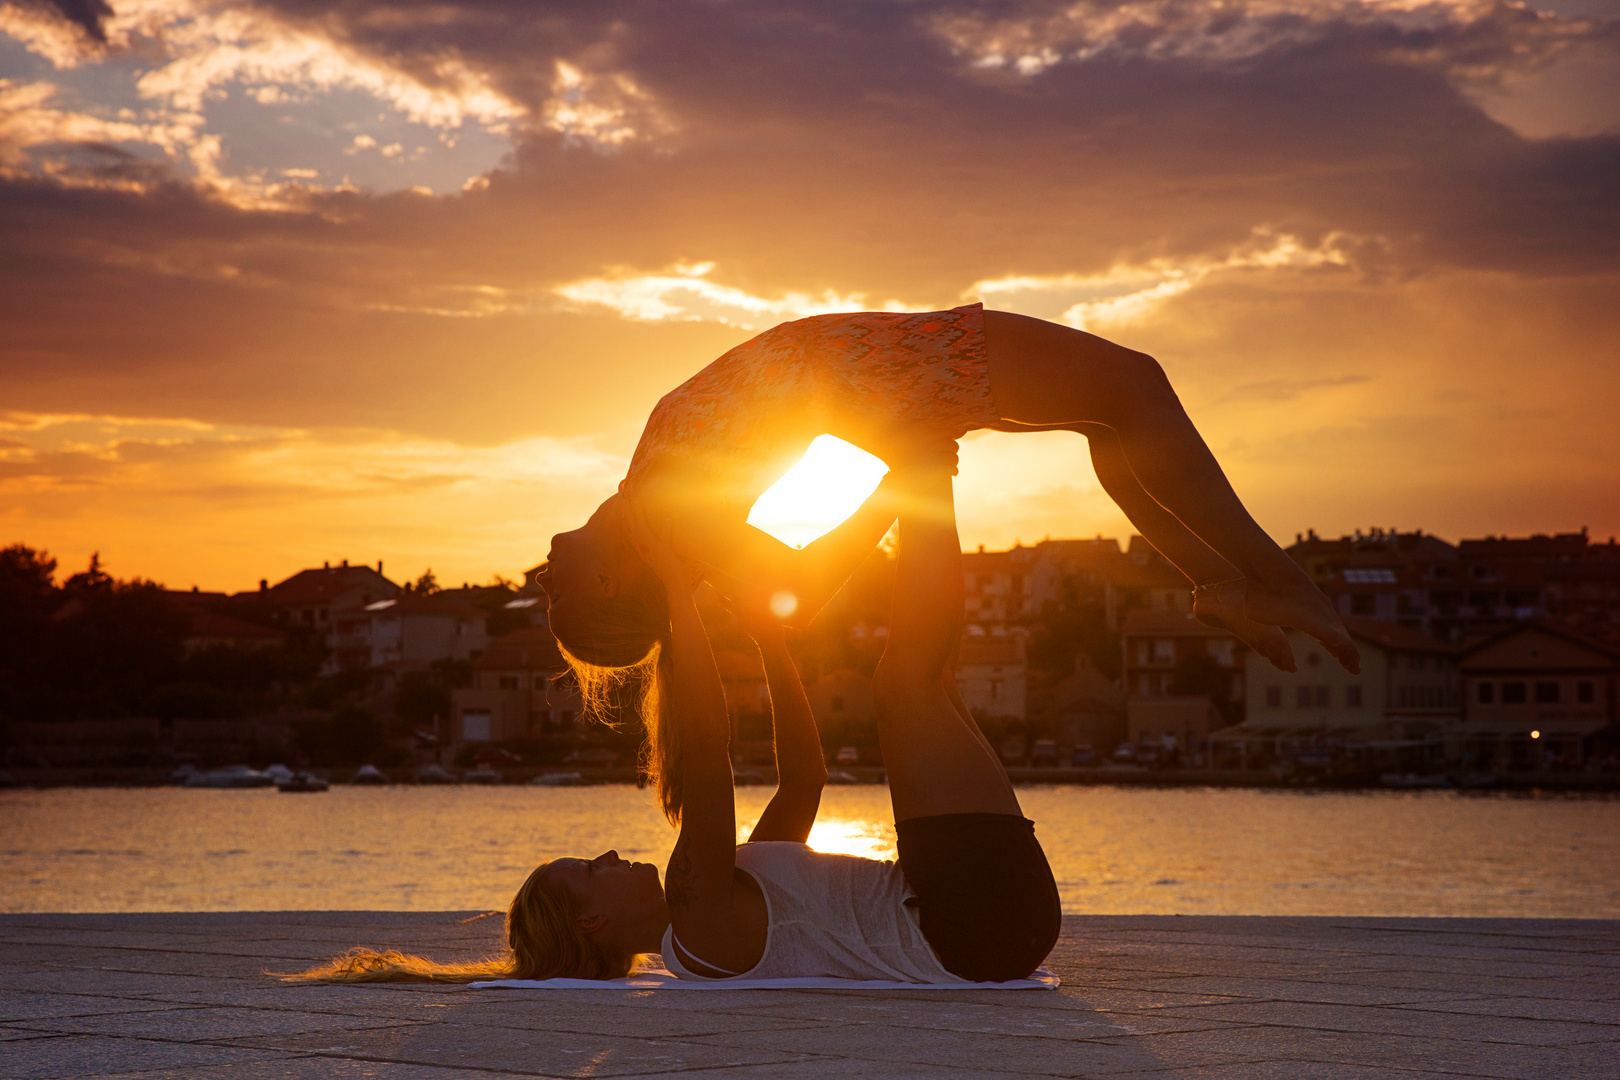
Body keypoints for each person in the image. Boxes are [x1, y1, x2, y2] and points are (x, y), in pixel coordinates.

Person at [544, 302, 1357, 821]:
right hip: (904, 365)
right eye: (559, 596)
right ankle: (1275, 581)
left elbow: (798, 586)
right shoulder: (660, 514)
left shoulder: (654, 506)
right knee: (1132, 388)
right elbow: (802, 586)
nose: (544, 572)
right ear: (612, 582)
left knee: (1112, 417)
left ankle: (1219, 585)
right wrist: (900, 478)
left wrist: (893, 478)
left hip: (891, 372)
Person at [289, 459, 1058, 983]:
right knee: (907, 682)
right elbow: (705, 752)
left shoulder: (731, 885)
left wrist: (769, 644)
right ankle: (927, 461)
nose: (612, 854)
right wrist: (676, 597)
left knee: (926, 682)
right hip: (969, 928)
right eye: (590, 870)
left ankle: (927, 466)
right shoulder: (697, 934)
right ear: (591, 924)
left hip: (984, 920)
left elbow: (805, 779)